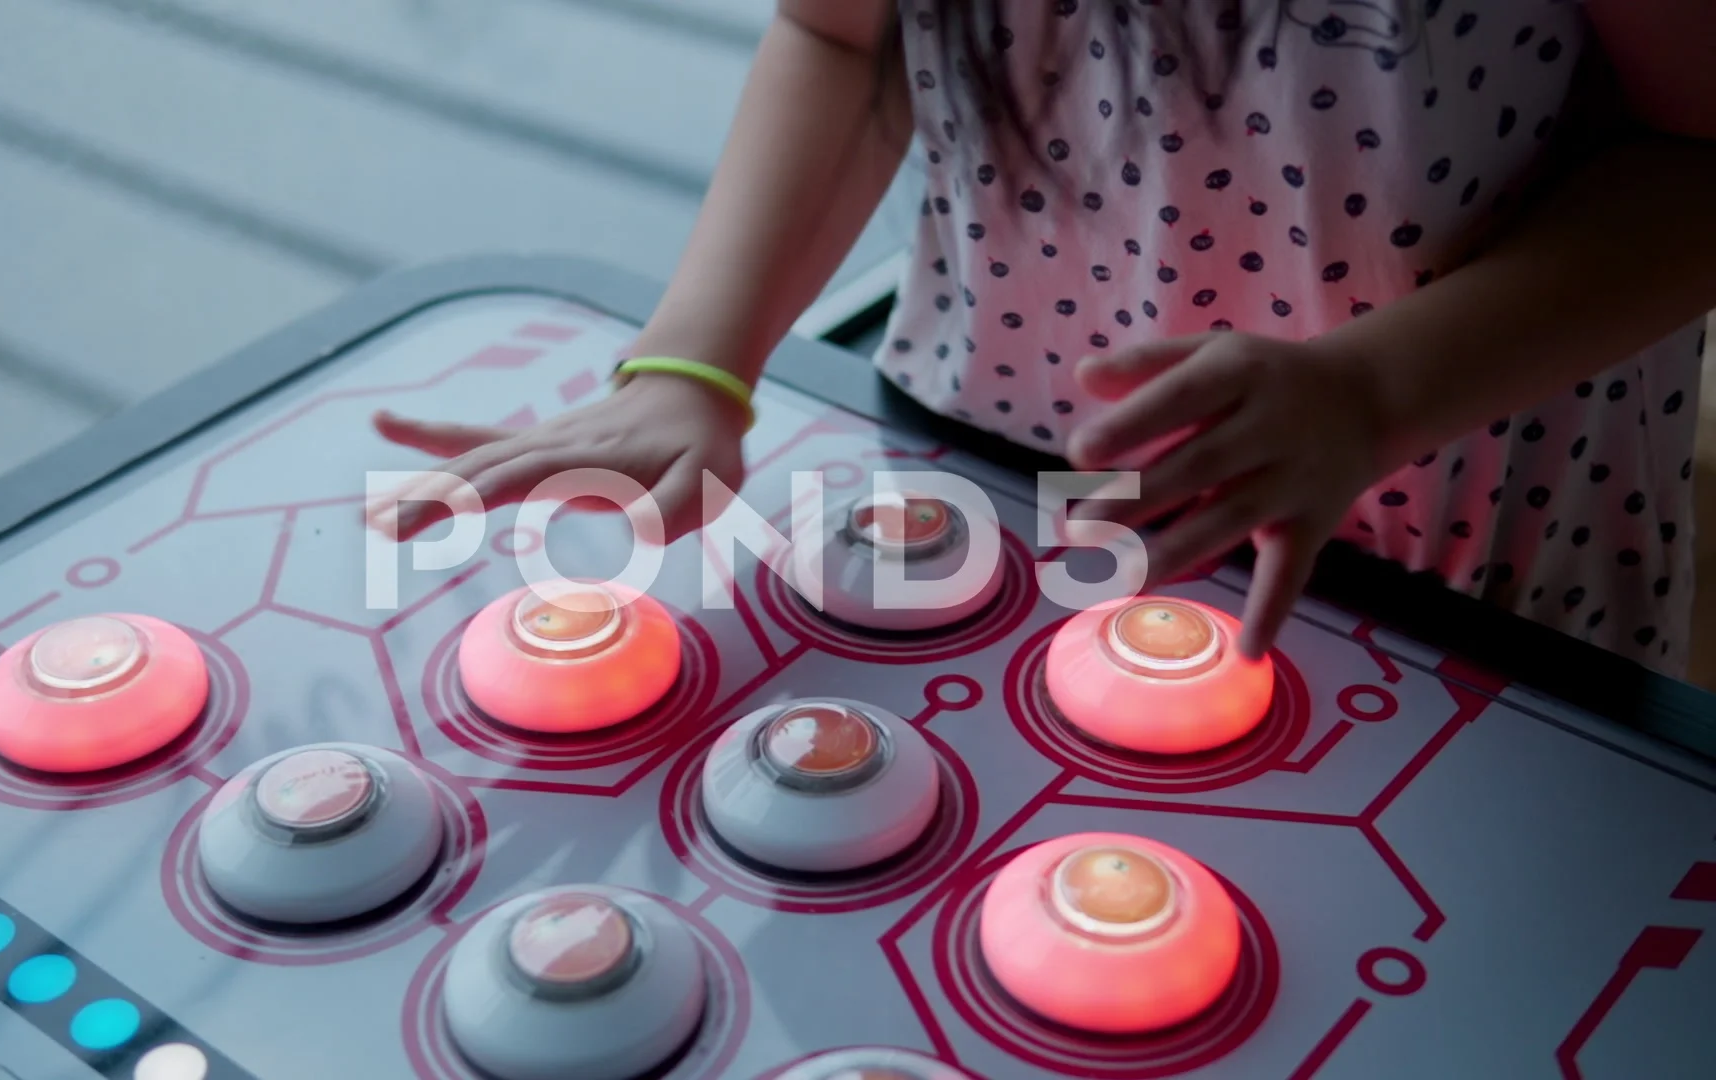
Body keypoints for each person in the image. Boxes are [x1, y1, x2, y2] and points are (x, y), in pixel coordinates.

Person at [369, 1, 1716, 675]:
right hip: (996, 453)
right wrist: (697, 363)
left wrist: (1368, 398)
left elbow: (1690, 155)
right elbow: (840, 43)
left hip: (1453, 512)